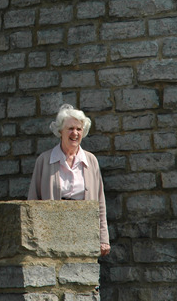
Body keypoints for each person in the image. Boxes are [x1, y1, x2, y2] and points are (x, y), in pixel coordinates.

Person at [28, 104, 110, 256]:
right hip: (52, 234)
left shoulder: (91, 161)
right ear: (60, 131)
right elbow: (33, 200)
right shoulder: (44, 160)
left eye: (79, 129)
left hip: (85, 233)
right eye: (70, 129)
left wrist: (103, 238)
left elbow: (100, 202)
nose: (75, 133)